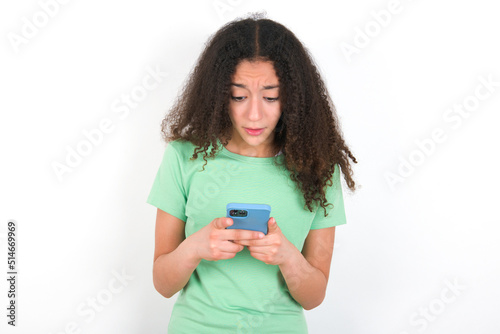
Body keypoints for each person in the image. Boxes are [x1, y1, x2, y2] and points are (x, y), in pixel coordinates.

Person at [147, 13, 357, 333]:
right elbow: (163, 283)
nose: (255, 114)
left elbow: (314, 296)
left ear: (293, 97)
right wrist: (194, 248)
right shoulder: (183, 157)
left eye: (271, 96)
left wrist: (288, 257)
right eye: (239, 96)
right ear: (219, 95)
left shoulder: (318, 168)